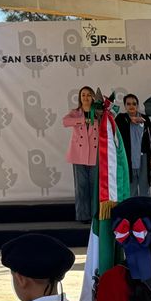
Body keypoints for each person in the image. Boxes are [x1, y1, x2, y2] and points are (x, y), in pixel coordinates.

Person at [62, 86, 98, 222]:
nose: (86, 97)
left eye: (89, 95)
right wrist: (83, 121)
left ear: (93, 97)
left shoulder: (99, 113)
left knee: (94, 186)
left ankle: (95, 215)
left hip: (95, 155)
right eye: (83, 95)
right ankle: (83, 216)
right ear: (79, 97)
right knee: (81, 186)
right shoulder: (75, 112)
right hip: (78, 155)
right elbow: (65, 122)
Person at [116, 94, 151, 198]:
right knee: (131, 189)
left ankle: (145, 213)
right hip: (128, 159)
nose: (131, 106)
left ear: (137, 105)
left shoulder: (145, 119)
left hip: (144, 158)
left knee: (144, 188)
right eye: (128, 104)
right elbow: (117, 128)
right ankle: (132, 213)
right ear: (125, 106)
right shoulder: (121, 118)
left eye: (134, 104)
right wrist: (131, 120)